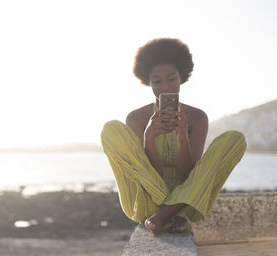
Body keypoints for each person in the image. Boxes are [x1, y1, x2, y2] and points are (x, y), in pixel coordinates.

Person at [101, 38, 247, 237]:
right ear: (148, 82)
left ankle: (165, 214)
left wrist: (183, 139)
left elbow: (190, 176)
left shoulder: (197, 118)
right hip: (147, 203)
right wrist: (149, 139)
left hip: (188, 200)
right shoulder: (137, 118)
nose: (165, 87)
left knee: (235, 139)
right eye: (157, 81)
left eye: (171, 78)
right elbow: (144, 177)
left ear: (181, 77)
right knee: (111, 129)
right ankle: (169, 211)